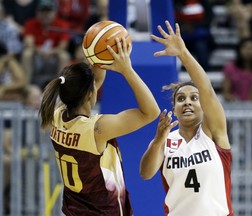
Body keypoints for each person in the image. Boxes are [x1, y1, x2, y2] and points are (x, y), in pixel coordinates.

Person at [39, 37, 160, 215]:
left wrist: (97, 54)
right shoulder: (96, 129)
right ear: (90, 94)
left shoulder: (57, 115)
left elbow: (93, 81)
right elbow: (151, 112)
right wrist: (127, 71)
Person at [140, 21, 234, 216]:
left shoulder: (213, 132)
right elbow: (145, 173)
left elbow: (207, 90)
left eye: (194, 98)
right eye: (181, 99)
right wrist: (157, 141)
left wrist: (183, 53)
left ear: (203, 106)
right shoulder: (165, 141)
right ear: (174, 109)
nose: (187, 102)